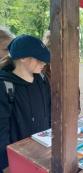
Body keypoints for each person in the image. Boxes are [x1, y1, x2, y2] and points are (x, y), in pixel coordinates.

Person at [0, 35, 51, 172]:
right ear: (22, 58)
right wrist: (6, 164)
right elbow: (1, 131)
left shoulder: (42, 79)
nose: (44, 62)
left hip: (44, 153)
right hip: (18, 160)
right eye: (39, 58)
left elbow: (50, 111)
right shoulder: (4, 86)